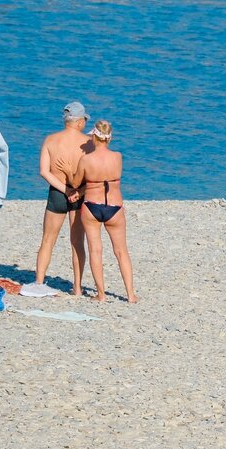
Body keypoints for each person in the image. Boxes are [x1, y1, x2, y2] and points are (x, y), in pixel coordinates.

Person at [23, 101, 92, 297]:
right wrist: (77, 191)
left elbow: (44, 172)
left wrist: (64, 189)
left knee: (48, 239)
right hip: (80, 193)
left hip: (57, 192)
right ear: (79, 122)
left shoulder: (51, 140)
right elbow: (93, 174)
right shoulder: (88, 143)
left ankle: (39, 281)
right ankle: (77, 287)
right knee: (77, 242)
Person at [72, 120, 138, 303]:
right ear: (110, 138)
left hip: (92, 205)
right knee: (121, 251)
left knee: (95, 250)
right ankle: (130, 295)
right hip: (114, 207)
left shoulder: (86, 160)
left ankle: (101, 295)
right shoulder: (118, 157)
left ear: (93, 136)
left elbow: (77, 183)